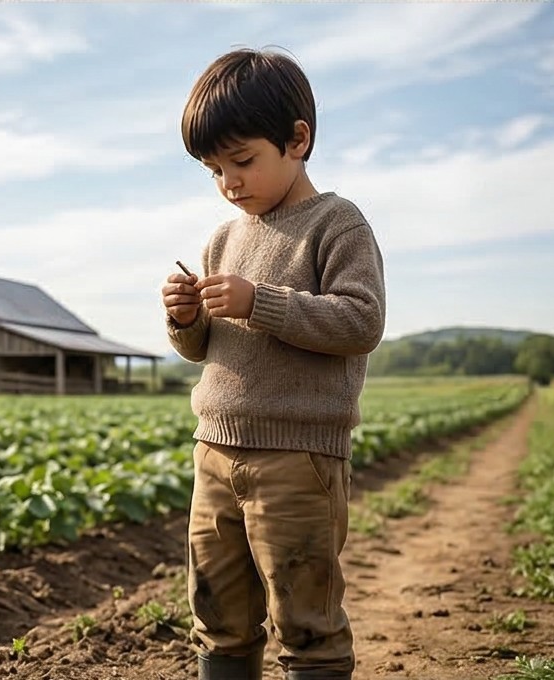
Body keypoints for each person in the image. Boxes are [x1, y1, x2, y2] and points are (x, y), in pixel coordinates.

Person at [161, 47, 386, 680]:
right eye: (212, 169)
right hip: (215, 450)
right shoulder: (222, 238)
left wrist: (261, 302)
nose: (229, 182)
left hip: (298, 457)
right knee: (218, 614)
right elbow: (205, 350)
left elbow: (360, 322)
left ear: (297, 140)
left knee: (304, 619)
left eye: (241, 161)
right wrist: (186, 319)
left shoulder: (336, 224)